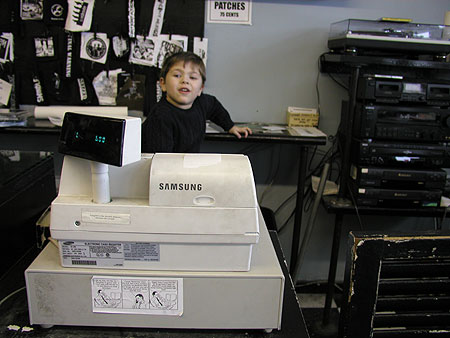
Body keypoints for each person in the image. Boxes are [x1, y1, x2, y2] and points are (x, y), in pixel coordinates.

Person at [142, 51, 251, 153]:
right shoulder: (160, 117)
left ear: (200, 89)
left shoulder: (202, 102)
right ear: (163, 84)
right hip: (163, 167)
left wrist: (230, 126)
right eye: (177, 75)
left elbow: (215, 107)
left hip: (187, 163)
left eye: (193, 77)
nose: (185, 81)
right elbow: (160, 162)